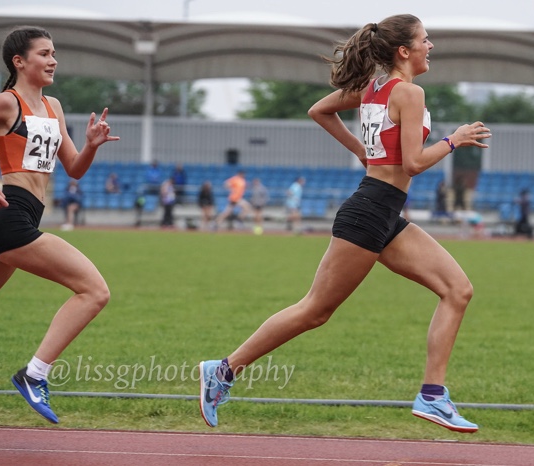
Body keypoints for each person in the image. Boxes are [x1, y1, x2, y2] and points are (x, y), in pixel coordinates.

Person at [199, 14, 491, 433]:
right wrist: (453, 140)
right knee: (315, 310)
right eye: (425, 40)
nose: (431, 47)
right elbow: (413, 163)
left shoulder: (374, 89)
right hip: (369, 212)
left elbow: (319, 110)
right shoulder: (409, 93)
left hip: (385, 212)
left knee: (457, 290)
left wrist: (361, 150)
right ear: (404, 50)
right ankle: (223, 371)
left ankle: (432, 396)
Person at [0, 26, 118, 424]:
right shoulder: (5, 102)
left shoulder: (53, 106)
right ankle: (34, 374)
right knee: (94, 291)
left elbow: (73, 168)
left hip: (22, 217)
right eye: (44, 53)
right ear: (19, 62)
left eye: (54, 53)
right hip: (12, 218)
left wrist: (90, 145)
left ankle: (34, 374)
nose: (53, 60)